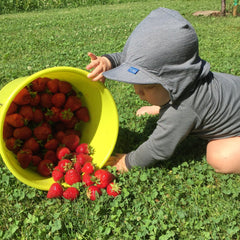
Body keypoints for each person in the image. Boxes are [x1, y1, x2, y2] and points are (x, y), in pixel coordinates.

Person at [86, 7, 240, 174]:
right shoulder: (184, 76)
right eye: (136, 82)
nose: (138, 91)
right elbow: (133, 60)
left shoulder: (184, 108)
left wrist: (127, 162)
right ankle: (162, 104)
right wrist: (109, 61)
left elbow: (159, 147)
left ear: (176, 81)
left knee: (219, 156)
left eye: (149, 85)